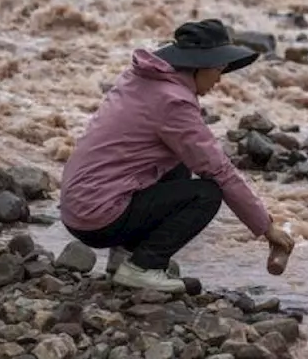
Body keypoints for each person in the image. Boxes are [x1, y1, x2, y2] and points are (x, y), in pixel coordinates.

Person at [59, 19, 295, 292]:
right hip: (98, 217)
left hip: (79, 204)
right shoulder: (173, 101)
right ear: (197, 65)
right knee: (207, 193)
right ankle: (143, 267)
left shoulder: (143, 78)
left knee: (179, 162)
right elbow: (219, 171)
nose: (219, 80)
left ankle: (124, 256)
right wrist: (267, 228)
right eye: (218, 69)